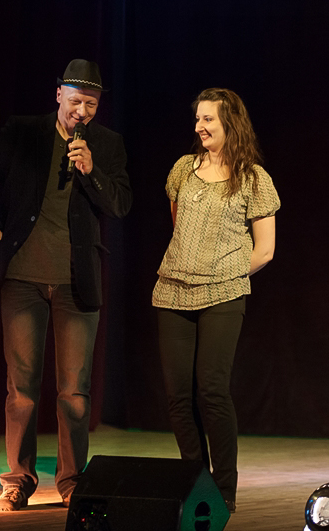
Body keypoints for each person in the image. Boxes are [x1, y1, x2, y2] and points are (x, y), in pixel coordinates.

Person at [0, 59, 132, 511]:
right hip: (22, 278)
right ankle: (18, 480)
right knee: (22, 388)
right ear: (59, 94)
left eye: (90, 104)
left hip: (77, 281)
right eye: (75, 101)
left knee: (75, 391)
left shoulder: (107, 144)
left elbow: (119, 204)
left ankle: (72, 481)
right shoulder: (23, 132)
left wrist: (92, 171)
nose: (81, 112)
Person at [152, 88, 280, 513]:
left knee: (211, 390)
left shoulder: (254, 179)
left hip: (223, 294)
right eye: (198, 119)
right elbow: (179, 230)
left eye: (208, 119)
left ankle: (224, 489)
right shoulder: (183, 170)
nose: (200, 126)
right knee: (178, 396)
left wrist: (223, 274)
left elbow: (265, 250)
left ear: (230, 124)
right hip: (173, 290)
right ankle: (197, 483)